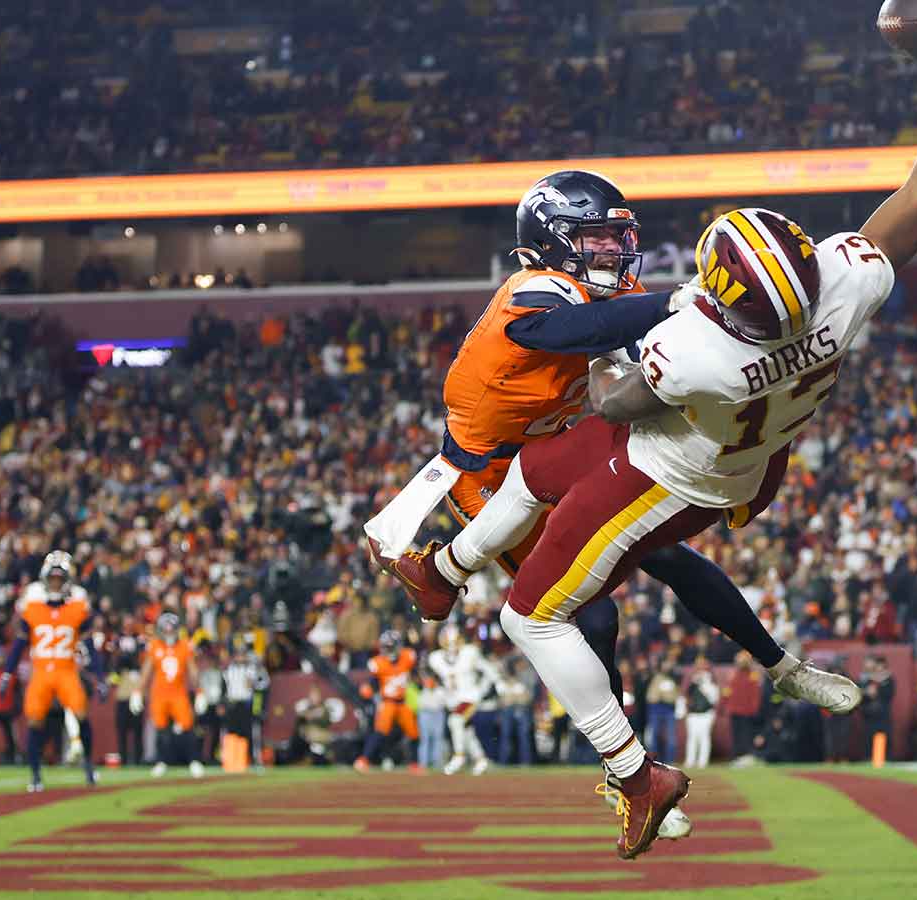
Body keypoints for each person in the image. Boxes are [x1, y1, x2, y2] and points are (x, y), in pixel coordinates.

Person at [393, 0, 917, 858]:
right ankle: (444, 570)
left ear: (723, 305)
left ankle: (636, 774)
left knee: (532, 618)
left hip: (675, 476)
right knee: (537, 468)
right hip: (742, 442)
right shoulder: (844, 286)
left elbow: (611, 399)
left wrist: (610, 348)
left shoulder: (695, 348)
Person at [363, 169, 856, 716]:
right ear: (553, 240)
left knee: (671, 556)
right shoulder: (531, 291)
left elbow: (651, 347)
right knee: (589, 611)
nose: (612, 249)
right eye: (595, 237)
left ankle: (782, 667)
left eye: (616, 236)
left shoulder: (616, 292)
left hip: (557, 445)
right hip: (491, 472)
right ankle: (627, 768)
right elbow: (568, 330)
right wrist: (673, 303)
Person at [0, 551, 101, 790]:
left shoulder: (77, 605)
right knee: (34, 720)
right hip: (42, 671)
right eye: (52, 578)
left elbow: (88, 644)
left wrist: (100, 675)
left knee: (81, 715)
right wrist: (7, 672)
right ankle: (35, 774)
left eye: (59, 578)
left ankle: (88, 766)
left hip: (67, 670)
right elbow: (20, 643)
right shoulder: (33, 604)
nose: (55, 582)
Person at [427, 627, 497, 776]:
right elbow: (435, 680)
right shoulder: (435, 658)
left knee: (455, 721)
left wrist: (483, 689)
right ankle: (480, 759)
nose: (452, 645)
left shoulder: (469, 653)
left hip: (470, 697)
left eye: (455, 641)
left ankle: (459, 756)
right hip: (454, 701)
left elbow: (490, 670)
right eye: (448, 642)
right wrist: (441, 693)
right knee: (466, 731)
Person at [142, 611, 204, 778]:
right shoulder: (155, 645)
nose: (169, 633)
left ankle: (194, 760)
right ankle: (161, 761)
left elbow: (193, 670)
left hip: (178, 693)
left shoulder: (184, 645)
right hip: (159, 694)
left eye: (172, 629)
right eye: (166, 629)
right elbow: (147, 670)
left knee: (187, 726)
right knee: (161, 729)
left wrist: (199, 691)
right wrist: (137, 691)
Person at [356, 630, 418, 771]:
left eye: (391, 646)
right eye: (387, 646)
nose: (389, 650)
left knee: (413, 733)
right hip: (388, 702)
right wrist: (368, 689)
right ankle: (364, 760)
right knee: (380, 732)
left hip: (403, 702)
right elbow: (373, 682)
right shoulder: (378, 662)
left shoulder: (407, 656)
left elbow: (415, 673)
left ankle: (414, 764)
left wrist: (421, 680)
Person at [222, 633, 270, 771]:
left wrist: (254, 684)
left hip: (248, 704)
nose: (240, 657)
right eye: (238, 654)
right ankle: (232, 761)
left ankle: (255, 760)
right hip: (233, 704)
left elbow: (264, 683)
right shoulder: (229, 670)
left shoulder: (253, 668)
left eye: (243, 654)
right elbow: (225, 687)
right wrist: (224, 702)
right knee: (232, 734)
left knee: (250, 733)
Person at [682, 658, 719, 769]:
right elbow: (686, 696)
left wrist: (705, 683)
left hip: (706, 713)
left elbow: (713, 698)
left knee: (704, 737)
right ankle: (690, 760)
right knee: (692, 738)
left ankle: (703, 761)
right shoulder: (692, 680)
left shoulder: (711, 682)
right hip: (693, 713)